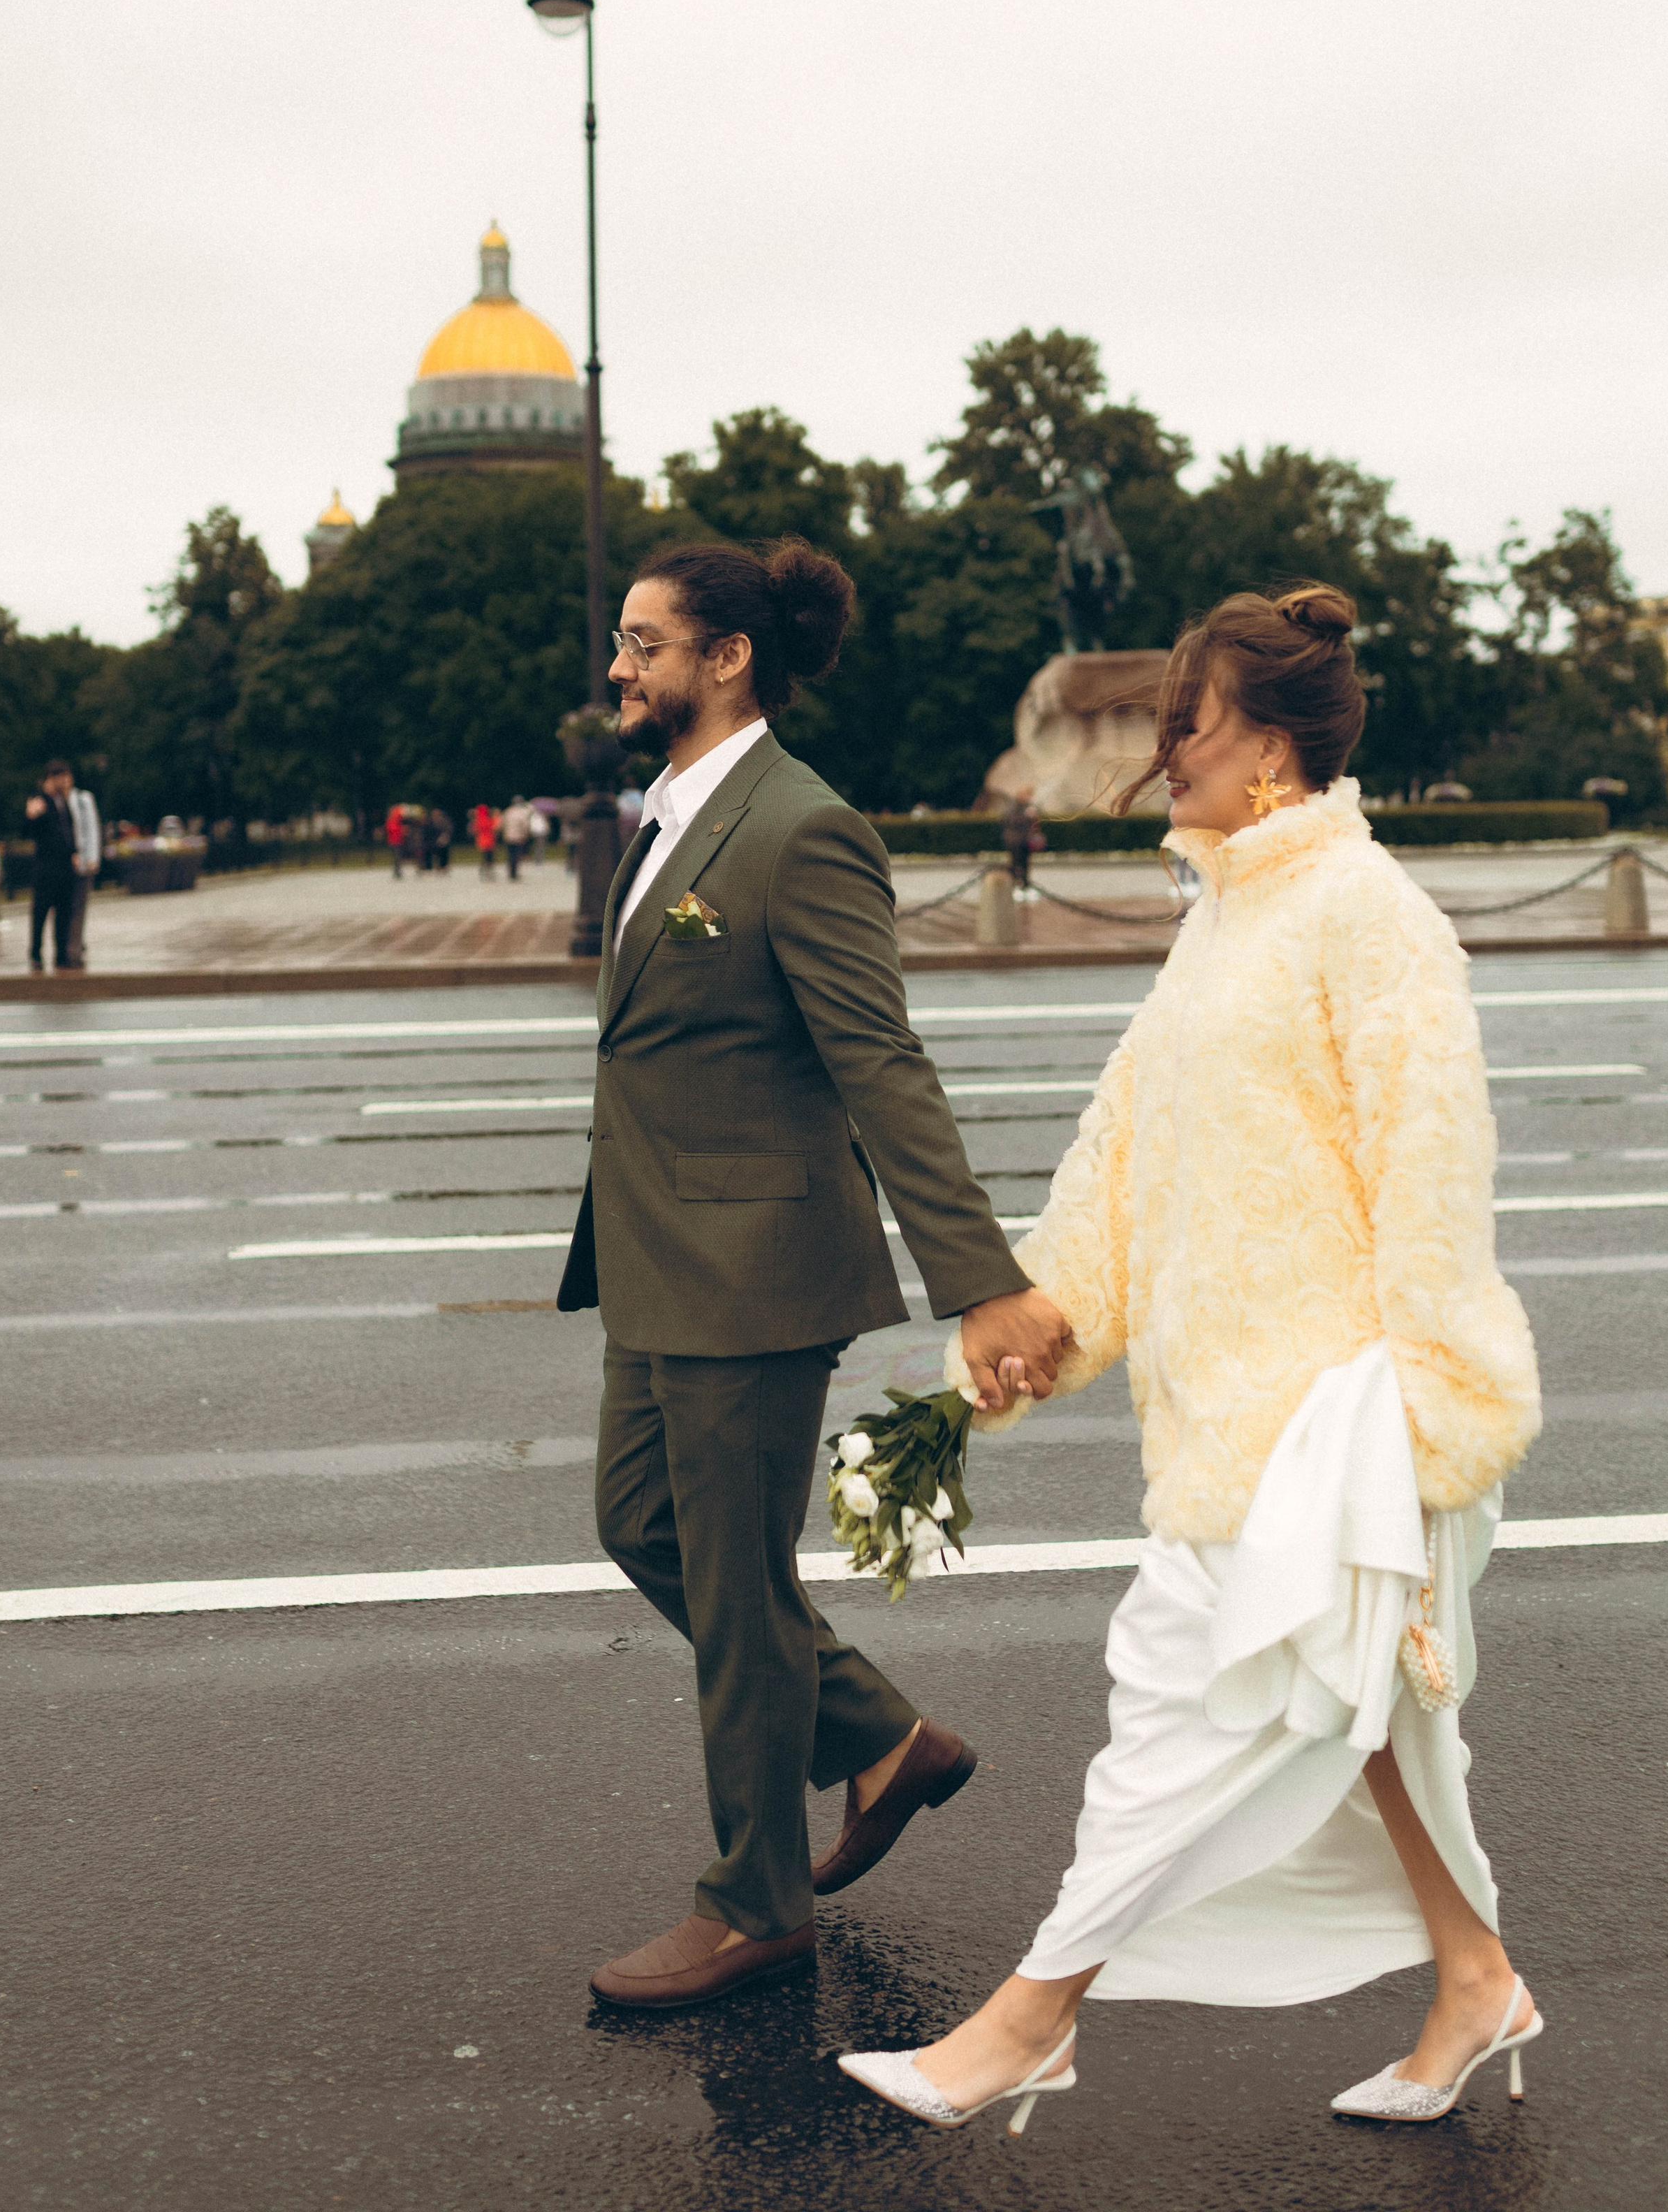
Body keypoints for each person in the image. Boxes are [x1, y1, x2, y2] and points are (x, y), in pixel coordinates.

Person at [840, 584, 1544, 2134]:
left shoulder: (1367, 915)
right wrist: (1023, 1340)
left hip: (1331, 1429)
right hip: (1224, 1414)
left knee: (1178, 1719)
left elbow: (1432, 1175)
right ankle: (1475, 1980)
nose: (1163, 749)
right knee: (1357, 1728)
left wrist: (1429, 1417)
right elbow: (1125, 1158)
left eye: (1191, 720)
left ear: (1276, 744)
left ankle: (1023, 2025)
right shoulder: (1227, 908)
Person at [559, 536, 1072, 2011]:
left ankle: (753, 1903)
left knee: (730, 1587)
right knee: (637, 1525)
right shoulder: (671, 814)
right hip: (660, 1259)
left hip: (751, 1270)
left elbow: (879, 1064)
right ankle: (882, 1736)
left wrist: (979, 1280)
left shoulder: (801, 828)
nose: (618, 666)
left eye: (643, 642)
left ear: (724, 660)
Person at [24, 761, 82, 971]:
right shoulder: (39, 799)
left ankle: (61, 955)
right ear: (53, 777)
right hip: (46, 866)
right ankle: (35, 954)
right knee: (41, 911)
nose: (66, 782)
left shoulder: (62, 800)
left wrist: (74, 852)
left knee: (64, 911)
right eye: (63, 777)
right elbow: (27, 832)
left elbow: (68, 830)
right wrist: (31, 816)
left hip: (65, 866)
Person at [66, 779, 102, 966]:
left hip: (82, 863)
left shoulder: (82, 799)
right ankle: (72, 945)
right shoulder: (54, 802)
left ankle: (74, 948)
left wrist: (93, 858)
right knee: (66, 908)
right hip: (63, 865)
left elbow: (91, 830)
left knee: (78, 907)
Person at [1002, 789, 1040, 899]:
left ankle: (1025, 886)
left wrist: (1033, 816)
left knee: (1026, 863)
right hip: (1014, 840)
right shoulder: (1013, 806)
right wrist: (1026, 816)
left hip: (1026, 840)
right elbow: (1009, 820)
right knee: (1015, 863)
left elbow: (1034, 824)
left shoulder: (1029, 806)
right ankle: (1014, 886)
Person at [502, 794, 533, 880]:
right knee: (516, 855)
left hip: (508, 836)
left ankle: (511, 872)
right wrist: (526, 834)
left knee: (510, 855)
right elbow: (525, 825)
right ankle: (514, 873)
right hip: (519, 837)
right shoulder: (522, 813)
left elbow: (503, 824)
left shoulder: (507, 811)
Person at [471, 801, 498, 880]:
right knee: (489, 857)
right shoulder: (486, 819)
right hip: (488, 840)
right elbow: (494, 827)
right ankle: (487, 871)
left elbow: (475, 830)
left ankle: (485, 870)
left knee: (486, 857)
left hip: (482, 840)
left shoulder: (478, 820)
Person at [385, 803, 407, 879]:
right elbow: (392, 830)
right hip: (394, 842)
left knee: (399, 857)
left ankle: (398, 871)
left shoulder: (397, 820)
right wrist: (402, 830)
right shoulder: (391, 820)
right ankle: (397, 871)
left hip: (399, 841)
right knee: (397, 857)